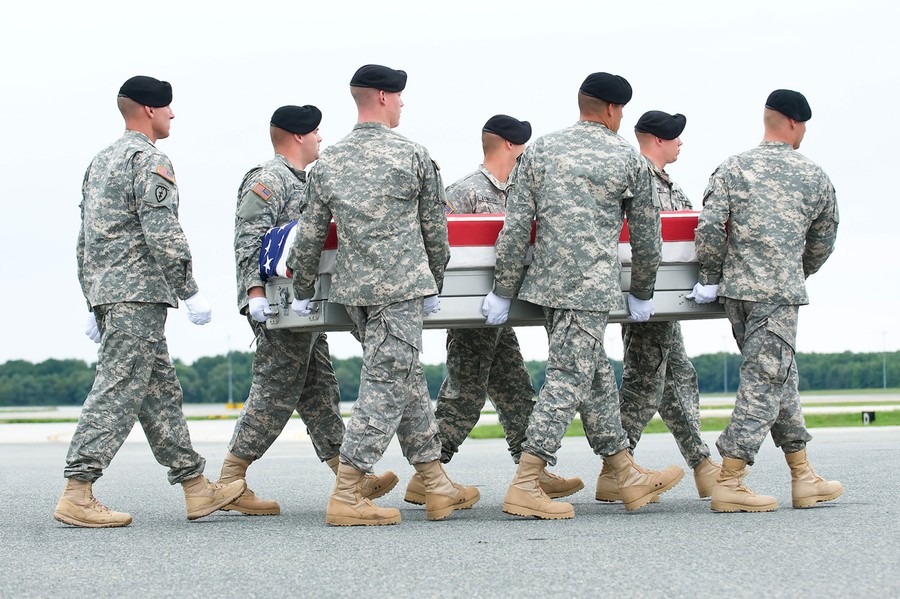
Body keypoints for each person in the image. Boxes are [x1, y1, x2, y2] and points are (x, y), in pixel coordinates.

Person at [482, 72, 685, 519]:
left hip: (546, 287)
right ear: (613, 110)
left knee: (594, 379)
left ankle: (623, 472)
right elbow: (647, 238)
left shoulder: (540, 151)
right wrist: (643, 292)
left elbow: (515, 229)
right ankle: (526, 483)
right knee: (567, 379)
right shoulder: (627, 158)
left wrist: (503, 289)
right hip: (590, 288)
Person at [285, 64, 479, 526]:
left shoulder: (329, 161)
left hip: (355, 293)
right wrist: (433, 281)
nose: (402, 103)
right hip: (401, 289)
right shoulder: (412, 155)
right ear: (384, 97)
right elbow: (436, 233)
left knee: (405, 380)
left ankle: (435, 482)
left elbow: (310, 235)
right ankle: (347, 492)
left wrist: (304, 287)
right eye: (399, 95)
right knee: (385, 386)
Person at [54, 76, 246, 528]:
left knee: (160, 394)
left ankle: (195, 487)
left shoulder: (100, 162)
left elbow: (85, 238)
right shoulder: (149, 160)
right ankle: (77, 491)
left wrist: (92, 297)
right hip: (138, 295)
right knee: (118, 388)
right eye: (167, 107)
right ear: (148, 110)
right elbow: (162, 230)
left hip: (113, 293)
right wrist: (189, 288)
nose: (172, 114)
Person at [216, 105, 398, 516]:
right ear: (298, 136)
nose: (320, 138)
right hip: (276, 306)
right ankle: (229, 480)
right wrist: (254, 292)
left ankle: (349, 475)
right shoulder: (268, 180)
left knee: (319, 390)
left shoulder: (305, 180)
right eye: (315, 131)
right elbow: (248, 239)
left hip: (301, 307)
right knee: (275, 390)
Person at [404, 115, 583, 506]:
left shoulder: (523, 191)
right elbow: (440, 247)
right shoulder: (464, 192)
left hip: (502, 313)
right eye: (523, 145)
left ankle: (533, 472)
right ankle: (427, 475)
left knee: (516, 389)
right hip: (471, 314)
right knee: (465, 395)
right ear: (509, 145)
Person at [689, 89, 843, 512]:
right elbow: (824, 239)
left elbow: (708, 228)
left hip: (737, 294)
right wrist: (797, 270)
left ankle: (803, 475)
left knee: (778, 379)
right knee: (763, 384)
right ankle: (730, 480)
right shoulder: (812, 175)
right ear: (794, 123)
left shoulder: (733, 167)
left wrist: (711, 276)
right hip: (777, 294)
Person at [595, 111, 719, 504]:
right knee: (644, 382)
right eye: (675, 136)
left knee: (678, 377)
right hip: (644, 297)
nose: (681, 142)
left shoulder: (669, 186)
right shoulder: (635, 179)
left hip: (665, 299)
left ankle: (703, 465)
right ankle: (615, 471)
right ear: (658, 140)